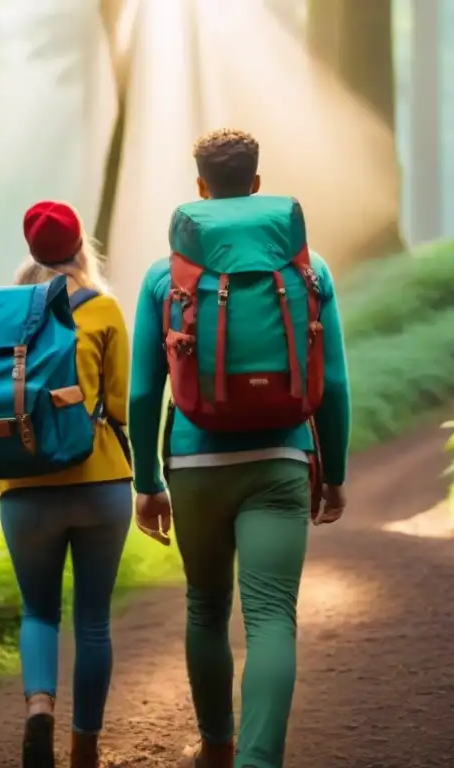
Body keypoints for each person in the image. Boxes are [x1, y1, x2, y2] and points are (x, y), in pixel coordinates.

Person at [127, 129, 352, 768]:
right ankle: (259, 761)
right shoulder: (308, 269)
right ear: (256, 182)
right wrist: (333, 472)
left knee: (206, 607)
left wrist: (146, 481)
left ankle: (219, 748)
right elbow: (332, 380)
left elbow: (144, 394)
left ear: (200, 187)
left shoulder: (163, 277)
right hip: (280, 459)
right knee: (273, 618)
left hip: (195, 464)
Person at [0, 201, 133, 768]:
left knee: (38, 612)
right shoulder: (103, 310)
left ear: (31, 252)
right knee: (94, 619)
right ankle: (84, 748)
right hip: (99, 481)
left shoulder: (2, 314)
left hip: (23, 486)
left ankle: (38, 710)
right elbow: (123, 404)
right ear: (82, 247)